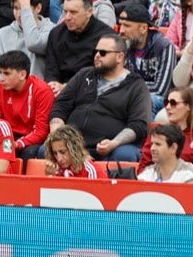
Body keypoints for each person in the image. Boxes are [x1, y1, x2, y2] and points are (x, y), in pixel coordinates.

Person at [45, 33, 149, 161]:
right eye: (96, 51)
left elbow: (139, 125)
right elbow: (60, 107)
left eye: (103, 52)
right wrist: (60, 140)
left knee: (124, 155)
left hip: (108, 149)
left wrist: (113, 143)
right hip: (70, 147)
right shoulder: (84, 74)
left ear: (119, 57)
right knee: (42, 151)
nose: (97, 55)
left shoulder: (135, 85)